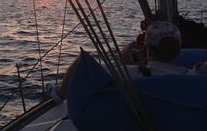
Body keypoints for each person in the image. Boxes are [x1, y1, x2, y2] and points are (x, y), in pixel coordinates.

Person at [46, 21, 206, 102]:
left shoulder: (128, 74)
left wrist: (122, 62)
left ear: (147, 49)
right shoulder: (196, 76)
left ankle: (59, 94)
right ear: (179, 49)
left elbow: (82, 64)